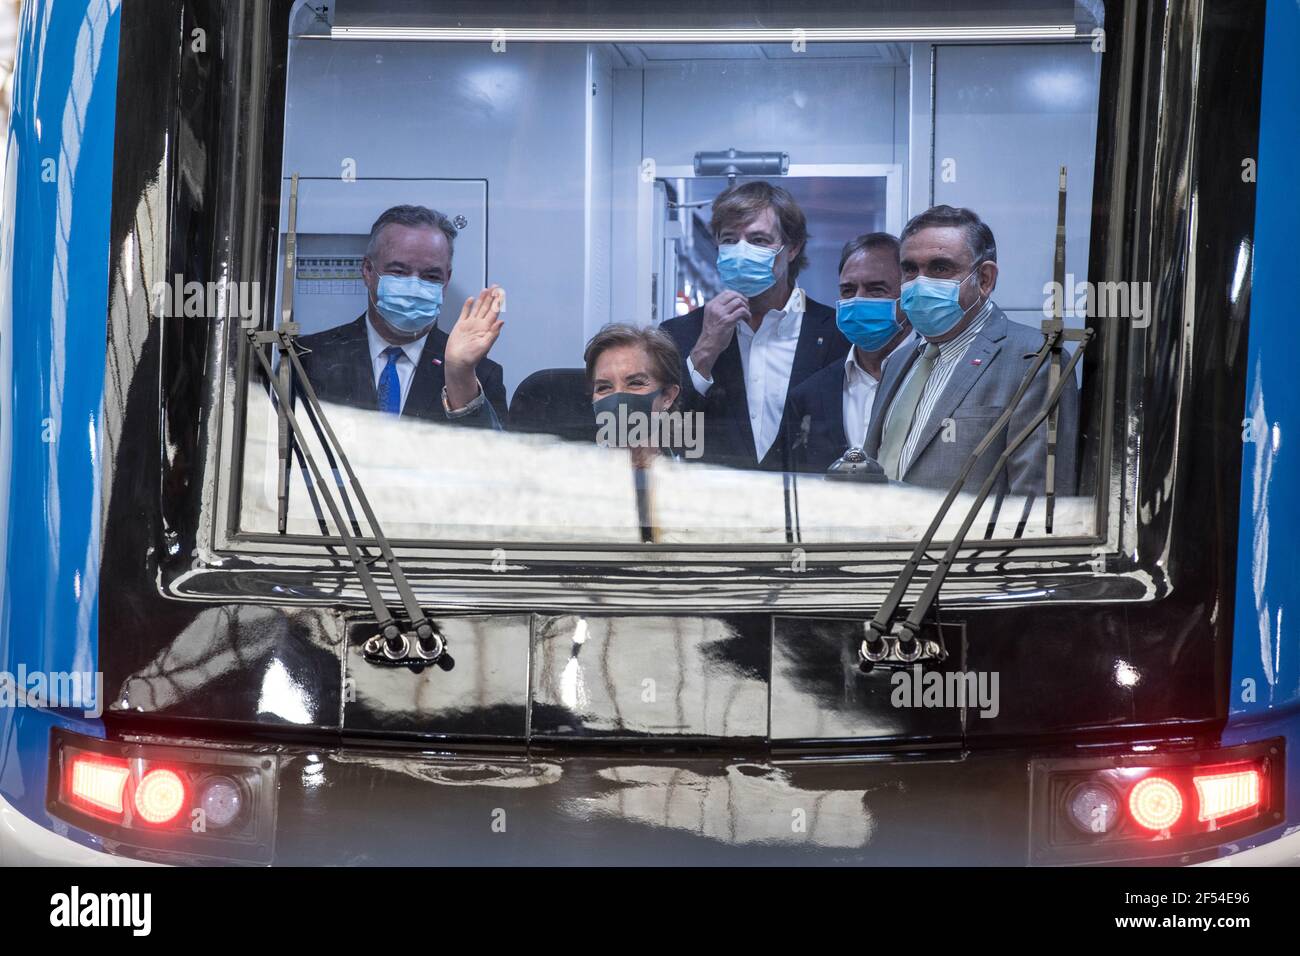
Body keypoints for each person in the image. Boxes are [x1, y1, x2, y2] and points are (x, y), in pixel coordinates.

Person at [862, 205, 1079, 497]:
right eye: (910, 269)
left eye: (940, 268)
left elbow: (1035, 506)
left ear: (985, 279)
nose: (919, 282)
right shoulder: (899, 361)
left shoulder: (1035, 360)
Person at [660, 182, 849, 471]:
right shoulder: (679, 334)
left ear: (792, 248)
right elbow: (663, 435)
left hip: (807, 504)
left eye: (759, 240)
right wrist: (704, 351)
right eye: (730, 240)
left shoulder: (837, 334)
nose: (742, 251)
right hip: (714, 505)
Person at [295, 205, 508, 428]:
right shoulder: (307, 358)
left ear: (446, 280)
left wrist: (459, 374)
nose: (414, 285)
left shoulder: (479, 373)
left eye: (431, 275)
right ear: (368, 270)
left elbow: (489, 457)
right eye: (398, 272)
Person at [787, 232, 916, 473]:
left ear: (908, 295)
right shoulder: (811, 394)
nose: (858, 300)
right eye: (848, 290)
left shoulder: (937, 372)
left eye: (876, 289)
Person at [584, 324, 685, 541]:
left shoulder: (692, 487)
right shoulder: (574, 483)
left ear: (667, 396)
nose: (618, 397)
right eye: (603, 387)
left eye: (635, 383)